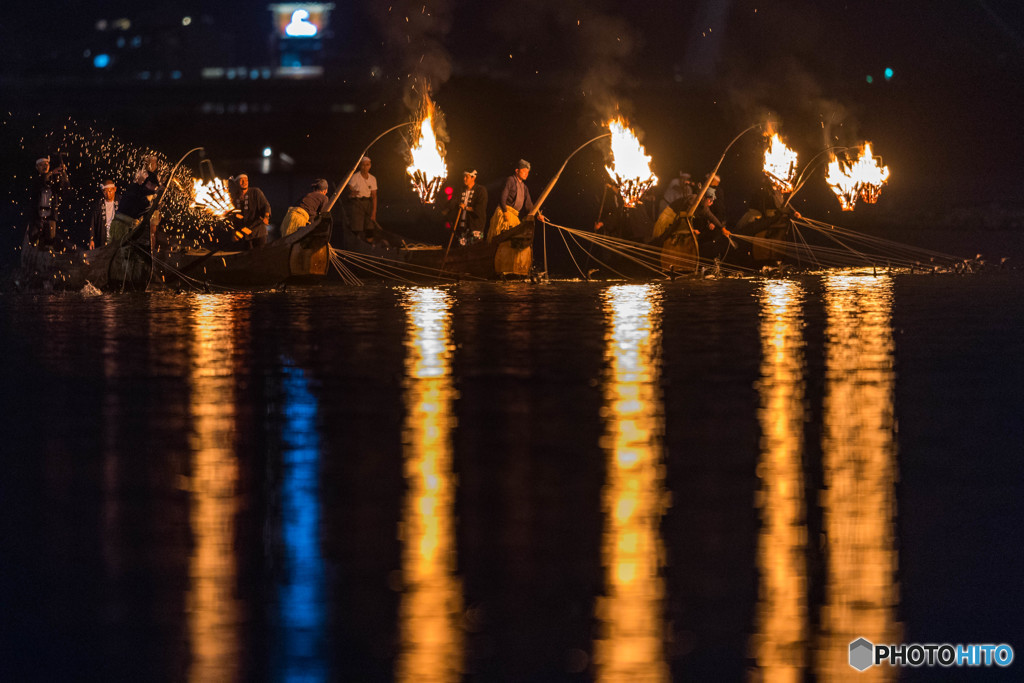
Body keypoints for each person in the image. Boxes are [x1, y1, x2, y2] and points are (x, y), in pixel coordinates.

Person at [107, 154, 164, 246]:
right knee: (118, 249)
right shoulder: (140, 179)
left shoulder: (153, 180)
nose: (154, 165)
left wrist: (157, 199)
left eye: (155, 163)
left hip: (132, 221)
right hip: (123, 224)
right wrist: (156, 192)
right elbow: (140, 194)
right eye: (152, 162)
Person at [28, 155, 69, 248]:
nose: (44, 167)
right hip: (37, 217)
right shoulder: (35, 180)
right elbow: (39, 183)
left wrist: (63, 174)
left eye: (46, 164)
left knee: (49, 242)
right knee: (34, 241)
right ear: (37, 167)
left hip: (50, 217)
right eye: (41, 165)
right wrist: (51, 173)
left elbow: (65, 190)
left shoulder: (54, 179)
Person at [445, 169, 488, 246]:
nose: (464, 179)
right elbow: (452, 203)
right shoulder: (461, 190)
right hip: (462, 228)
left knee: (474, 249)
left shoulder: (481, 190)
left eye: (466, 177)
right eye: (464, 176)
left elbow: (480, 209)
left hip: (475, 227)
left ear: (473, 178)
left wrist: (466, 207)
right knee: (461, 250)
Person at [231, 173, 271, 248]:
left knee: (260, 255)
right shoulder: (234, 197)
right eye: (241, 180)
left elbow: (266, 205)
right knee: (248, 256)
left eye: (246, 180)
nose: (244, 182)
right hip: (244, 233)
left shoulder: (256, 192)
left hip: (258, 232)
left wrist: (266, 217)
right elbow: (233, 217)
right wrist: (234, 232)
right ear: (236, 183)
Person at [344, 156, 378, 242]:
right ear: (360, 166)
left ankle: (369, 246)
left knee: (370, 227)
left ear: (370, 166)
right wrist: (352, 192)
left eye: (367, 165)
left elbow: (374, 196)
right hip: (357, 203)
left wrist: (373, 213)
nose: (365, 167)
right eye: (363, 165)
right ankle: (356, 245)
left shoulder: (372, 178)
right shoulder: (355, 177)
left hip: (368, 203)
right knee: (356, 227)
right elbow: (349, 187)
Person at [89, 180, 119, 249]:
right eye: (105, 192)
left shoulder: (120, 201)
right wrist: (91, 239)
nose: (108, 194)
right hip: (103, 236)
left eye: (110, 191)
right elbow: (93, 223)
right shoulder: (99, 204)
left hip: (117, 236)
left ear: (114, 189)